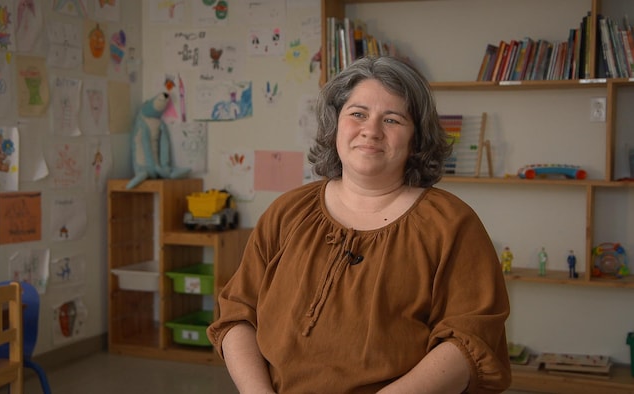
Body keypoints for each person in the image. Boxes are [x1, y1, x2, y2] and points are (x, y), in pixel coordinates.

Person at [207, 56, 511, 393]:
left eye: (392, 119)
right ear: (335, 123)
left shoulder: (452, 225)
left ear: (416, 139)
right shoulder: (286, 212)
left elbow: (469, 343)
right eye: (357, 114)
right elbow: (237, 314)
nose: (371, 130)